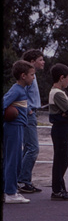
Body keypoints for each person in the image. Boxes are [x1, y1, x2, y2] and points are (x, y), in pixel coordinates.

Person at [3, 61, 36, 204]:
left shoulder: (21, 91)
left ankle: (10, 190)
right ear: (23, 76)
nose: (33, 78)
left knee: (15, 161)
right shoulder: (16, 90)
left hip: (19, 127)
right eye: (32, 75)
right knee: (13, 160)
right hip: (13, 127)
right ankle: (10, 193)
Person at [49, 63, 68, 201]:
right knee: (61, 159)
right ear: (61, 78)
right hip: (61, 129)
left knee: (63, 159)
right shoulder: (58, 93)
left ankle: (61, 188)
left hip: (63, 127)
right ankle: (57, 190)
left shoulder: (60, 93)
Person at [18, 49, 45, 194]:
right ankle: (23, 181)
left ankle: (21, 179)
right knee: (33, 148)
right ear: (32, 61)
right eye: (40, 59)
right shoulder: (28, 77)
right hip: (29, 114)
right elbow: (20, 92)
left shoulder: (33, 77)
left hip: (32, 113)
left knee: (28, 148)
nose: (43, 62)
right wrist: (28, 108)